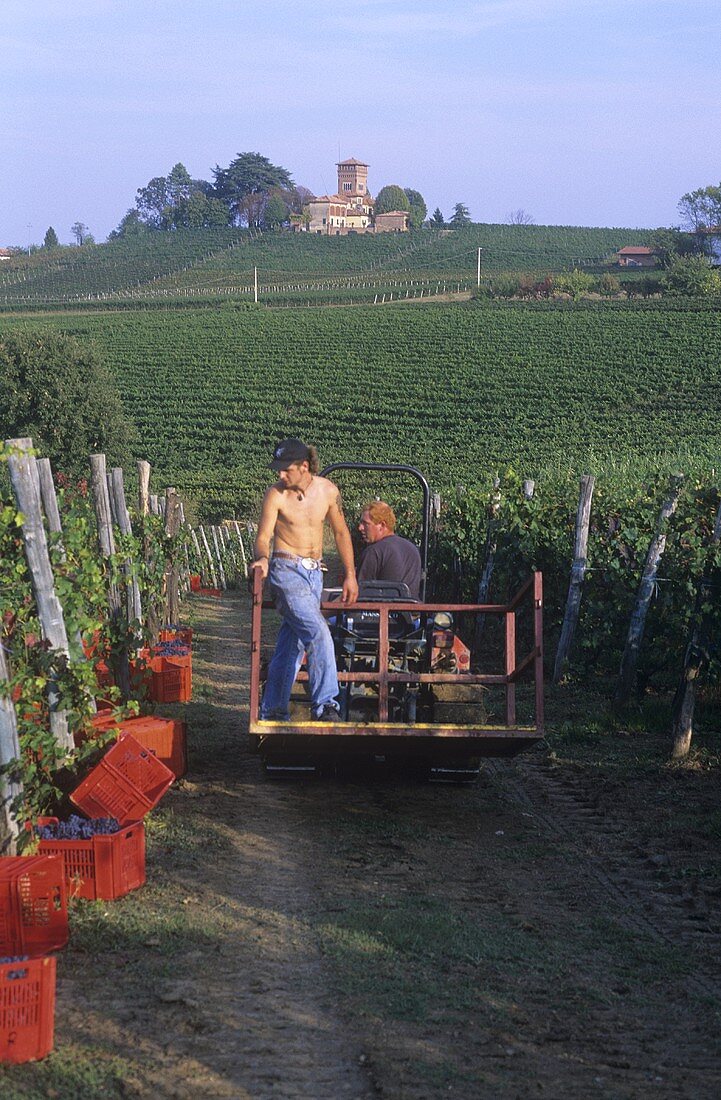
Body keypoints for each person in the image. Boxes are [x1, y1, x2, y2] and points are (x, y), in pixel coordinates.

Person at [251, 438, 358, 721]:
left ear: (304, 466)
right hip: (286, 571)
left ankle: (273, 709)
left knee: (292, 642)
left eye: (286, 469)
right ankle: (326, 704)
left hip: (315, 575)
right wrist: (262, 558)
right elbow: (263, 537)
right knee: (318, 631)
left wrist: (350, 575)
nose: (280, 475)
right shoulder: (276, 495)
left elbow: (341, 533)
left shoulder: (328, 491)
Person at [357, 501, 422, 598]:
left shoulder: (374, 552)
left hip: (378, 611)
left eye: (365, 524)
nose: (360, 528)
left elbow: (358, 592)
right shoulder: (412, 549)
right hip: (409, 612)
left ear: (382, 525)